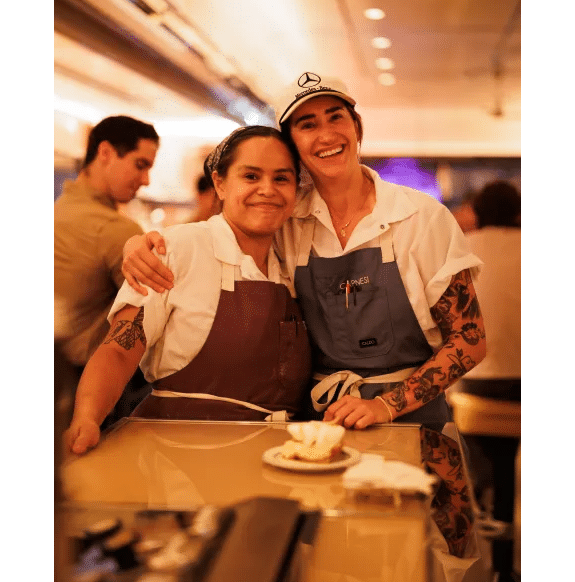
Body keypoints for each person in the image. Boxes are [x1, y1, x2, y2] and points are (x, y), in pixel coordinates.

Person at [122, 73, 486, 433]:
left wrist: (384, 406)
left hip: (413, 421)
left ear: (356, 127)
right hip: (319, 425)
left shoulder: (419, 217)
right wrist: (142, 244)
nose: (326, 134)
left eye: (336, 117)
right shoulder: (288, 221)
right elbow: (223, 232)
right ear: (292, 144)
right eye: (307, 124)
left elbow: (470, 340)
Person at [65, 126, 312, 455]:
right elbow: (118, 350)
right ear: (220, 183)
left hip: (276, 456)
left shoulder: (295, 260)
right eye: (251, 176)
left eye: (282, 179)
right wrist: (87, 418)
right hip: (179, 455)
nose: (267, 189)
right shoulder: (177, 249)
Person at [54, 115, 159, 425]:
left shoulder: (56, 210)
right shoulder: (116, 230)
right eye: (141, 164)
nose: (146, 180)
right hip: (83, 391)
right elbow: (156, 315)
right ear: (106, 153)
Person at [457, 180, 521, 582]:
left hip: (474, 391)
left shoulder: (461, 248)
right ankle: (505, 564)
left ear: (477, 213)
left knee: (479, 458)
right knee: (509, 467)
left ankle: (482, 516)